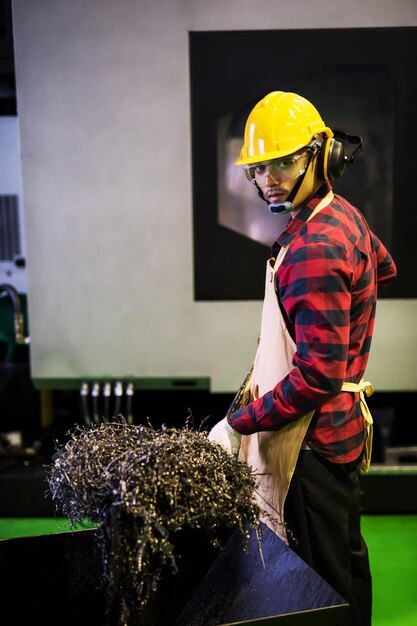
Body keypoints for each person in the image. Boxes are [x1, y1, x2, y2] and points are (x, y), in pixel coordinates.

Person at [208, 91, 397, 626]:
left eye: (284, 162)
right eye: (260, 166)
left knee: (320, 591)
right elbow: (383, 266)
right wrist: (353, 309)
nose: (269, 178)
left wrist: (237, 423)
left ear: (323, 153)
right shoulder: (342, 217)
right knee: (344, 568)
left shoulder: (314, 244)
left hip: (310, 443)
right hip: (338, 435)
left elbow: (316, 376)